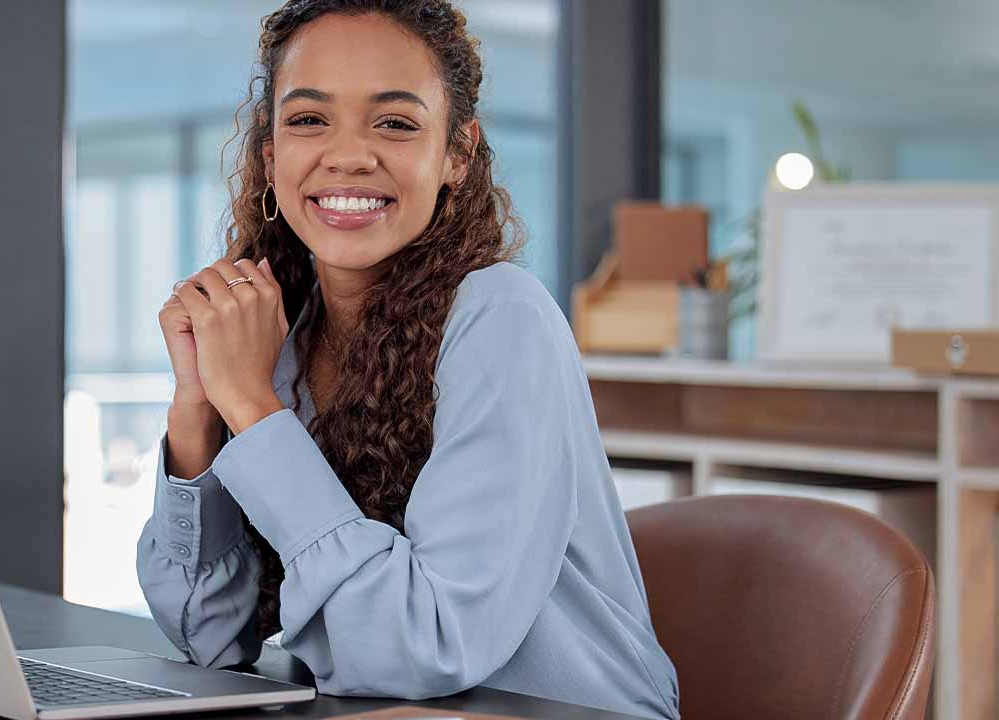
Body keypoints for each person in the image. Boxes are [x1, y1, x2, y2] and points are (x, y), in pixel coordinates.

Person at [138, 2, 679, 718]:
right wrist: (199, 410)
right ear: (271, 156)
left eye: (394, 122)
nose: (349, 155)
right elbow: (205, 634)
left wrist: (255, 411)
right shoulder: (281, 336)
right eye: (308, 120)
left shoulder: (501, 318)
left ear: (456, 154)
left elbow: (421, 649)